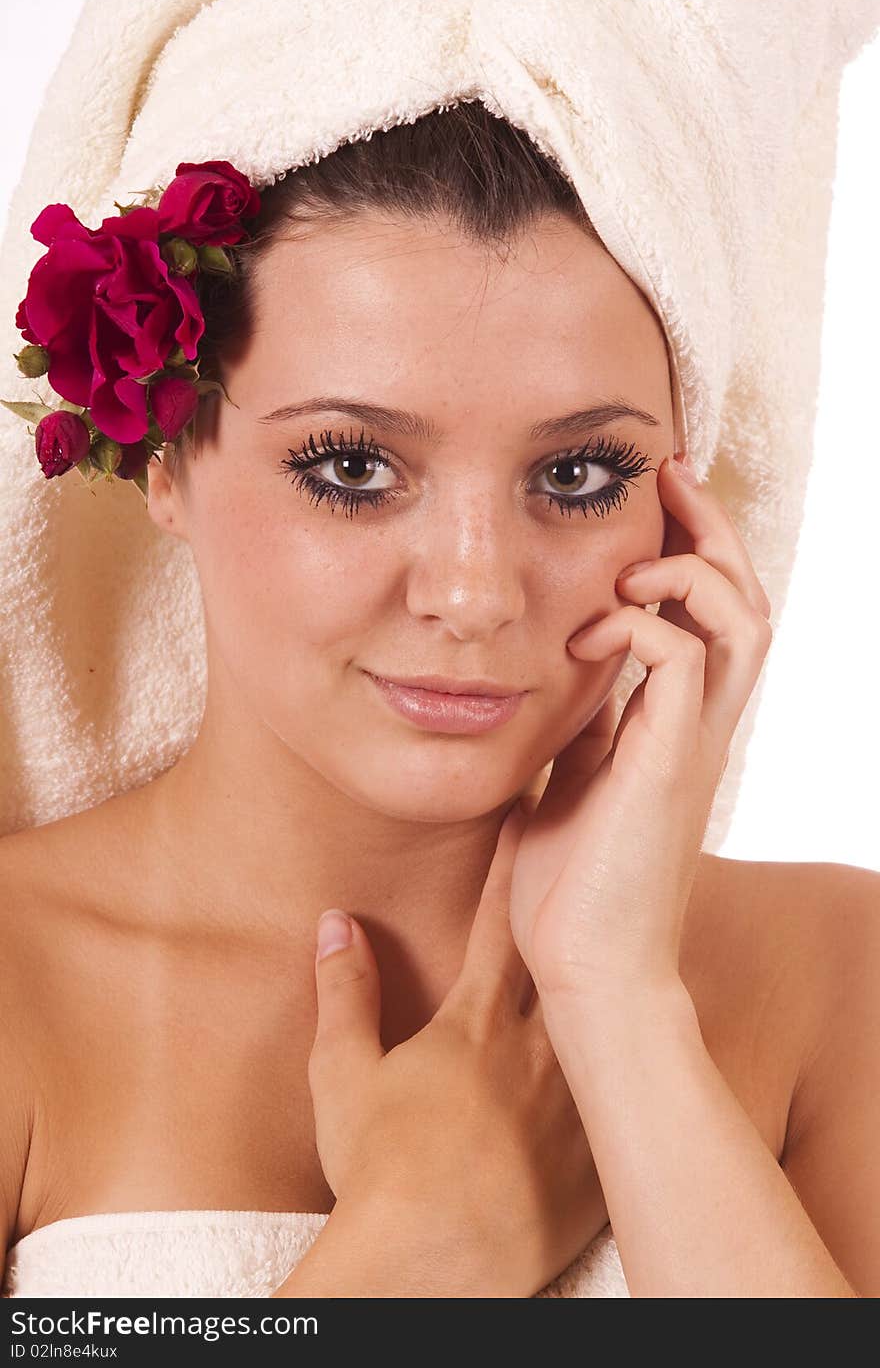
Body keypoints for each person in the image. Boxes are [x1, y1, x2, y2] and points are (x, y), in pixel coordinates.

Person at [0, 102, 876, 1298]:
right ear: (165, 456)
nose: (472, 593)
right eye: (351, 466)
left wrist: (621, 1012)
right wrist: (426, 1241)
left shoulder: (838, 975)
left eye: (576, 475)